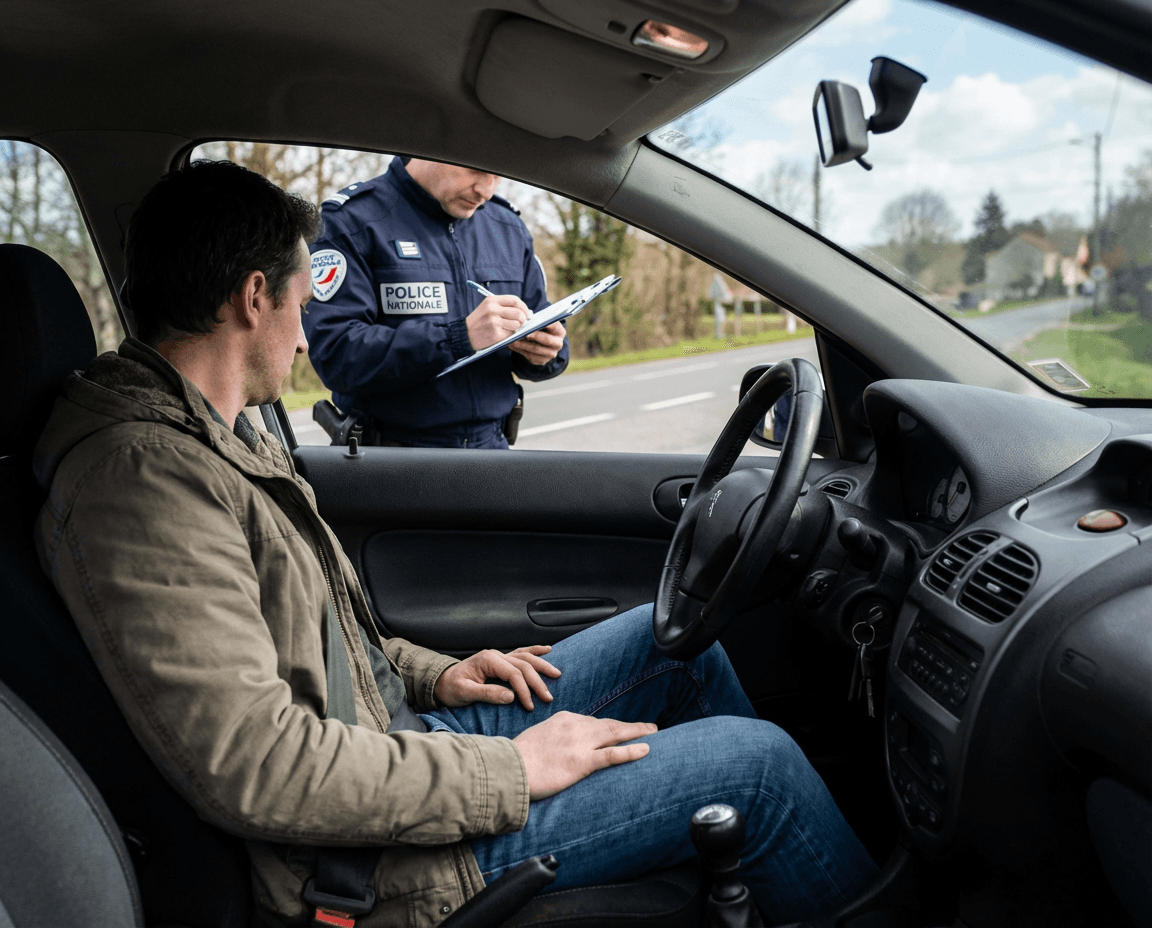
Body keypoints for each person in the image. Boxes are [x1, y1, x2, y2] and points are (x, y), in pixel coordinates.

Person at [33, 160, 877, 927]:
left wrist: (435, 670)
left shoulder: (208, 434)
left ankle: (765, 882)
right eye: (299, 301)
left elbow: (310, 635)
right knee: (757, 766)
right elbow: (260, 764)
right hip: (365, 861)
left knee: (680, 650)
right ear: (256, 297)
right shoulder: (142, 480)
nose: (302, 335)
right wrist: (511, 773)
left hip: (389, 745)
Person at [303, 156, 568, 449]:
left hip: (493, 453)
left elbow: (543, 320)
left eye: (499, 175)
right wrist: (456, 338)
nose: (486, 190)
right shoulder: (351, 221)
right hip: (392, 462)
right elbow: (337, 354)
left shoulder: (507, 228)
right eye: (477, 168)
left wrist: (545, 352)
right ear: (430, 149)